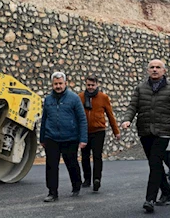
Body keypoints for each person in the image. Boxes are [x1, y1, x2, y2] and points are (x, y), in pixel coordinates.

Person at [121, 59, 170, 213]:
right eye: (152, 67)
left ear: (164, 71)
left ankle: (150, 199)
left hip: (163, 131)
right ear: (148, 70)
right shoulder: (140, 88)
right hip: (145, 130)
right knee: (155, 164)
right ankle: (167, 193)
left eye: (158, 67)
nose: (155, 69)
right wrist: (127, 119)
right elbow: (133, 106)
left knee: (155, 162)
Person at [40, 71, 88, 201]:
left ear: (65, 83)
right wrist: (42, 138)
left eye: (60, 83)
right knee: (51, 166)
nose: (58, 86)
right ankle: (52, 192)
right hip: (51, 137)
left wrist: (83, 139)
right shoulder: (48, 100)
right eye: (55, 84)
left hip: (70, 138)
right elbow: (44, 119)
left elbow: (82, 119)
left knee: (72, 164)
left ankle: (76, 185)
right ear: (52, 84)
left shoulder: (74, 98)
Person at [78, 75, 120, 192]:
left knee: (97, 156)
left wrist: (116, 131)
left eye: (93, 85)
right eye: (88, 85)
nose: (90, 87)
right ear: (85, 85)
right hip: (84, 132)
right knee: (85, 156)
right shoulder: (80, 97)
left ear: (97, 85)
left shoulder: (103, 97)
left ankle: (97, 179)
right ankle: (87, 179)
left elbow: (110, 115)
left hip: (98, 131)